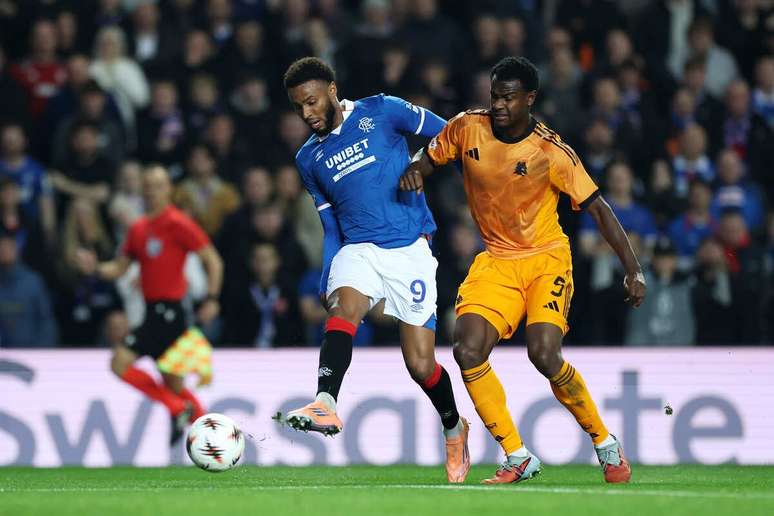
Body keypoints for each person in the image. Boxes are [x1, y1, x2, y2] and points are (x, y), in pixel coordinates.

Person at [400, 57, 646, 484]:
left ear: (530, 99)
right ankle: (517, 455)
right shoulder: (465, 127)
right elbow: (428, 157)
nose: (498, 105)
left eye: (508, 98)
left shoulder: (551, 151)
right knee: (467, 349)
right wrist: (412, 172)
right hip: (496, 260)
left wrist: (633, 269)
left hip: (545, 258)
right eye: (494, 95)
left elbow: (599, 210)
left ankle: (604, 441)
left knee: (544, 353)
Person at [282, 57, 470, 483]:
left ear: (332, 89)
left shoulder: (381, 110)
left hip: (411, 249)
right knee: (343, 307)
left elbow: (451, 133)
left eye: (311, 102)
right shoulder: (308, 158)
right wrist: (330, 272)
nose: (307, 114)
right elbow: (330, 224)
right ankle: (325, 403)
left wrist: (420, 165)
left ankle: (455, 428)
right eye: (298, 108)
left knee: (421, 365)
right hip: (358, 247)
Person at [75, 165, 223, 446]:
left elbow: (213, 260)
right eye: (148, 185)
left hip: (170, 313)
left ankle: (179, 410)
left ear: (168, 190)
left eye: (158, 185)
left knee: (120, 363)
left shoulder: (178, 223)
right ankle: (214, 437)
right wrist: (95, 268)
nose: (152, 191)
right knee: (174, 384)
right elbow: (120, 268)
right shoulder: (138, 229)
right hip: (153, 310)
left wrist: (212, 299)